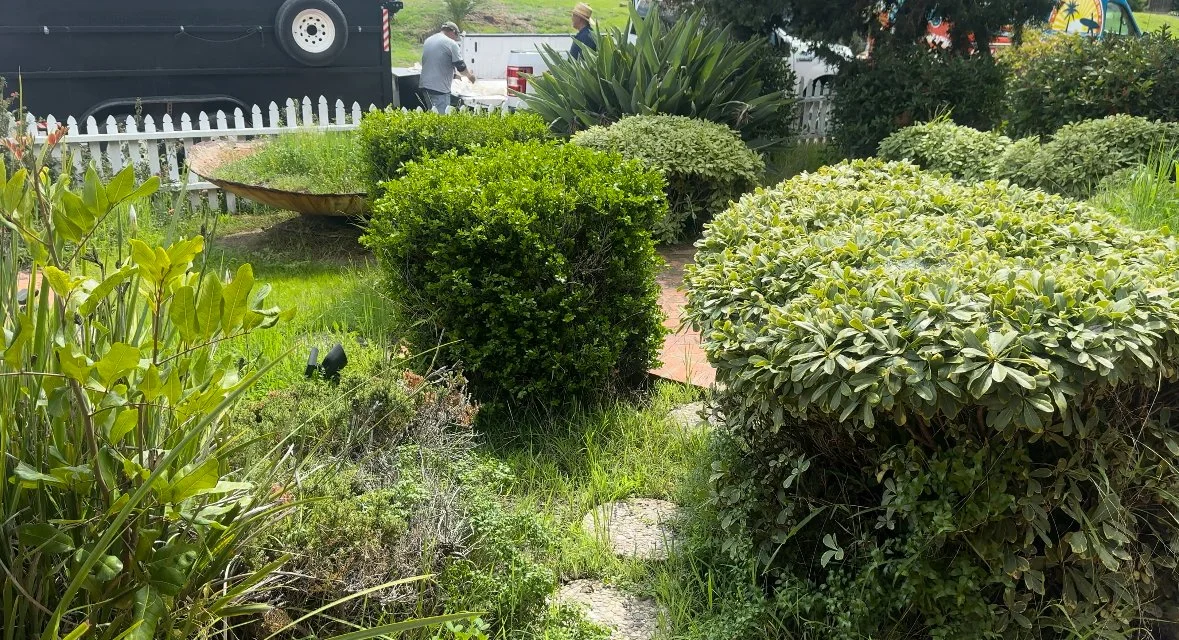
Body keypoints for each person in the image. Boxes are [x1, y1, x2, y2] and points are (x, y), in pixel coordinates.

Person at [420, 22, 475, 114]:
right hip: (439, 89)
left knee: (432, 117)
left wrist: (454, 76)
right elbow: (460, 66)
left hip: (425, 86)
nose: (456, 38)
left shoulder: (429, 40)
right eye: (456, 35)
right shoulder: (450, 43)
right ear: (453, 32)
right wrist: (470, 77)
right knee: (442, 119)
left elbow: (435, 63)